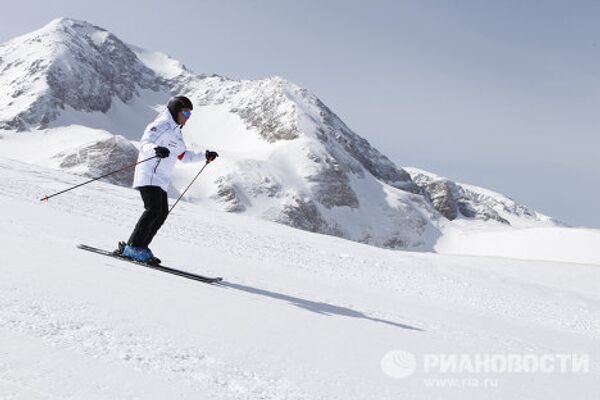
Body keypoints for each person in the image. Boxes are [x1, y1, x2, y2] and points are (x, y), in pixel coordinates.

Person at [118, 96, 218, 263]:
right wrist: (156, 149)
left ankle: (140, 247)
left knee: (162, 213)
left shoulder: (177, 132)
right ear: (175, 110)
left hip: (161, 180)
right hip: (149, 174)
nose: (188, 117)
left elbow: (183, 156)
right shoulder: (160, 125)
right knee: (153, 210)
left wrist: (204, 155)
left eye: (190, 114)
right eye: (185, 112)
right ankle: (133, 247)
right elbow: (145, 144)